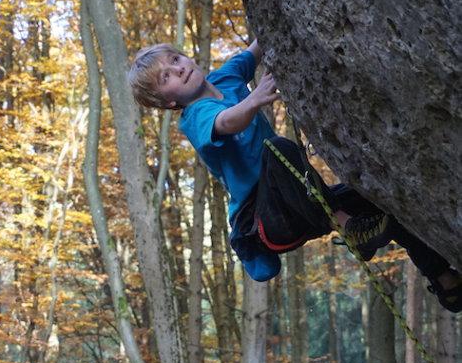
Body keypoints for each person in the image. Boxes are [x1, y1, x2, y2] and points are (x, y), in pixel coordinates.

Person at [128, 39, 462, 312]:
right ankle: (347, 225)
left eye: (175, 58)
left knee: (379, 199)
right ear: (169, 102)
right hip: (261, 220)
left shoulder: (225, 77)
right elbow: (227, 122)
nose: (178, 68)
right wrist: (256, 99)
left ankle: (443, 278)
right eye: (166, 76)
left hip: (301, 201)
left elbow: (256, 47)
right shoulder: (194, 116)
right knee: (277, 149)